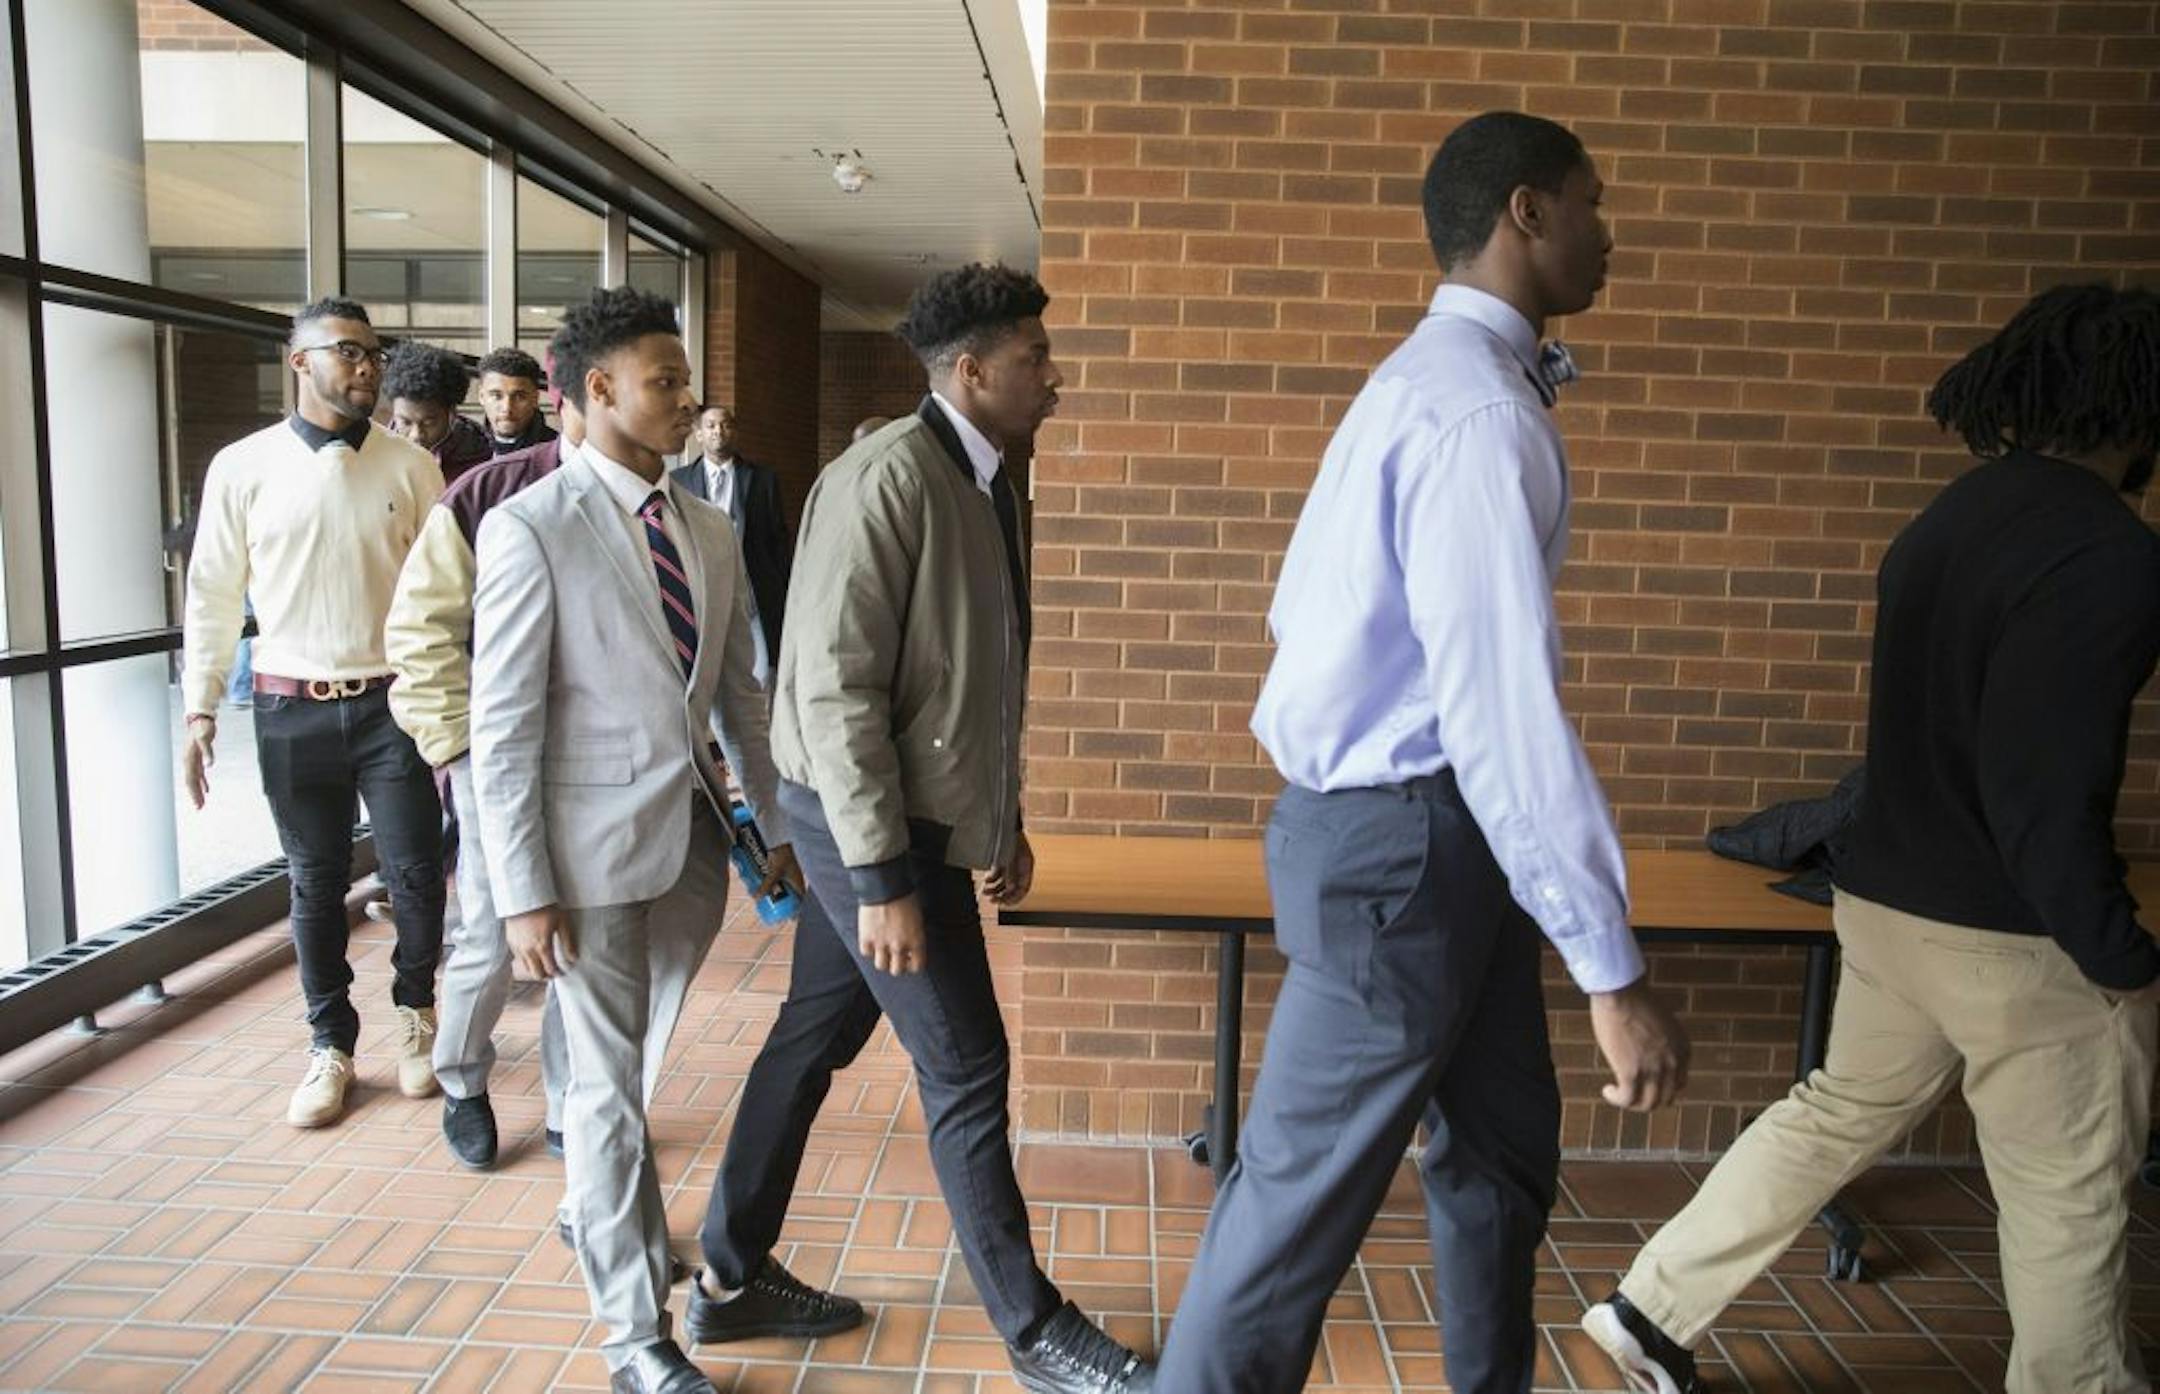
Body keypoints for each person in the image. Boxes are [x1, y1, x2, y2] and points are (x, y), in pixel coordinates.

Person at [1154, 113, 1690, 1394]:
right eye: (1593, 203)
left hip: (1431, 843)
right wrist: (1610, 972)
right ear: (1528, 212)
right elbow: (1502, 714)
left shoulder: (1423, 386)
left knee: (1503, 1151)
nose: (1611, 234)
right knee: (1294, 1206)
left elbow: (1306, 619)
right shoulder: (1472, 419)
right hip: (1407, 847)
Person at [1583, 283, 2160, 1394]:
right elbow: (2046, 788)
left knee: (1834, 1111)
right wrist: (2120, 955)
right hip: (2018, 938)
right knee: (2067, 1189)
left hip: (1888, 906)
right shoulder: (2113, 555)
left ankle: (1646, 1312)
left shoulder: (1946, 517)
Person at [762, 263, 1152, 1394]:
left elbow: (975, 680)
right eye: (1035, 360)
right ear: (972, 372)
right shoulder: (884, 478)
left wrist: (1005, 816)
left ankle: (731, 1262)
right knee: (970, 1066)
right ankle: (1035, 1331)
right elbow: (835, 690)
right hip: (866, 827)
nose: (1055, 377)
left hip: (917, 819)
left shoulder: (989, 478)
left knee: (812, 1035)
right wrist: (882, 873)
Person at [469, 286, 796, 1394]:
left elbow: (738, 696)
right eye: (668, 379)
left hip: (693, 848)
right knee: (607, 1092)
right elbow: (503, 729)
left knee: (631, 1069)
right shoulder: (529, 530)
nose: (690, 396)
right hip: (581, 859)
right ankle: (634, 1333)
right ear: (596, 390)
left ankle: (593, 1209)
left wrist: (775, 825)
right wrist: (522, 892)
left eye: (685, 376)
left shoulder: (707, 523)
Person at [179, 296, 449, 1127]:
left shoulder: (410, 467)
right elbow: (214, 593)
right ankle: (330, 1043)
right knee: (315, 881)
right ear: (300, 363)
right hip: (289, 707)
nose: (365, 367)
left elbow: (445, 598)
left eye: (373, 353)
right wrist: (199, 712)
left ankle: (415, 1015)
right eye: (347, 352)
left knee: (414, 874)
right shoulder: (244, 466)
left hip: (391, 707)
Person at [386, 364, 583, 1171]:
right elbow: (420, 635)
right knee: (493, 938)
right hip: (494, 758)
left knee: (587, 942)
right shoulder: (485, 493)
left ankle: (573, 1098)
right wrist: (459, 751)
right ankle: (463, 1077)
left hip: (595, 765)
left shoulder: (646, 502)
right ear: (573, 398)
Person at [669, 404, 790, 685]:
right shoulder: (678, 481)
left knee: (761, 675)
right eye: (710, 426)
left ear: (735, 431)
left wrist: (781, 588)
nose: (718, 431)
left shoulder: (763, 480)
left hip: (754, 592)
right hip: (702, 592)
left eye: (725, 425)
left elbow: (778, 540)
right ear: (698, 434)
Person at [385, 340, 493, 487]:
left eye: (429, 423)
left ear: (451, 414)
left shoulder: (481, 460)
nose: (416, 435)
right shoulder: (375, 452)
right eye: (405, 422)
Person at [476, 346, 559, 455]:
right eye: (497, 396)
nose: (507, 407)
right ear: (481, 396)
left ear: (535, 398)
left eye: (519, 397)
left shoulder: (556, 453)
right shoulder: (466, 450)